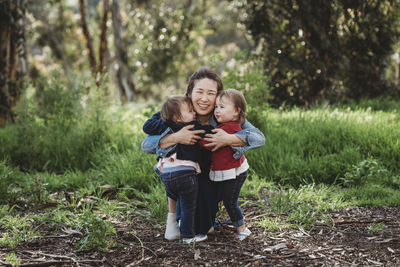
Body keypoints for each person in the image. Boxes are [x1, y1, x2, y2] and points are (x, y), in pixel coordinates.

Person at [142, 67, 265, 241]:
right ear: (190, 92)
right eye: (199, 92)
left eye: (211, 93)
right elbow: (146, 144)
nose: (205, 99)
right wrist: (177, 137)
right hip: (183, 173)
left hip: (211, 173)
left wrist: (228, 139)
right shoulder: (178, 109)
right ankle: (172, 217)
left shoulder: (224, 114)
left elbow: (259, 138)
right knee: (176, 169)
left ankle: (206, 217)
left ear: (218, 96)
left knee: (205, 227)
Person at [143, 95, 212, 243]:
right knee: (188, 205)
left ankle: (179, 225)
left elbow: (147, 126)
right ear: (178, 117)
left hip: (166, 174)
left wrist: (166, 117)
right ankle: (188, 236)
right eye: (190, 111)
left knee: (179, 198)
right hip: (185, 173)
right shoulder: (193, 126)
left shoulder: (166, 127)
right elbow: (208, 131)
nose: (194, 113)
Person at [199, 89, 251, 240]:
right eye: (216, 107)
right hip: (229, 170)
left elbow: (208, 143)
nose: (217, 110)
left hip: (234, 173)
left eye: (222, 107)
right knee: (221, 197)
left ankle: (242, 229)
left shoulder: (228, 128)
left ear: (236, 111)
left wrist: (196, 137)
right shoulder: (225, 126)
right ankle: (212, 222)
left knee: (230, 201)